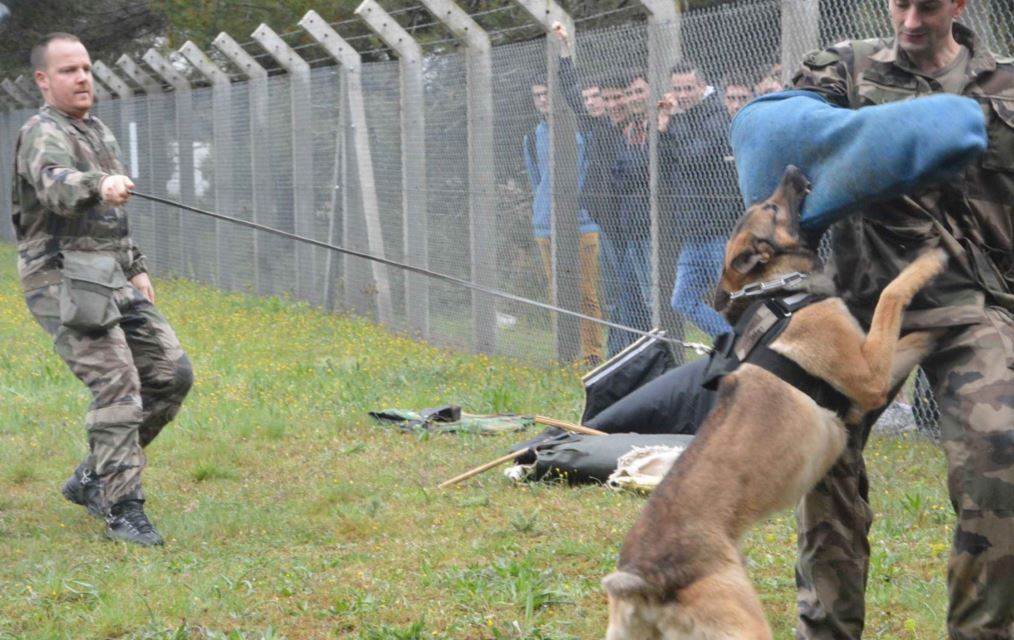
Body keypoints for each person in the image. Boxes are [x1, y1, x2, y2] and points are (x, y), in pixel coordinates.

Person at [788, 2, 1014, 637]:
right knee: (821, 451)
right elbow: (780, 144)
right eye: (900, 3)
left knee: (1000, 450)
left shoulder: (1005, 85)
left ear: (961, 4)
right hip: (863, 306)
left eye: (930, 5)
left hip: (974, 305)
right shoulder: (846, 71)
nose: (911, 19)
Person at [12, 33, 194, 546]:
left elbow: (111, 220)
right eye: (68, 70)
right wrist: (97, 184)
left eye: (87, 68)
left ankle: (92, 476)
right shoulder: (41, 132)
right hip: (60, 279)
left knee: (170, 374)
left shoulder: (98, 133)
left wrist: (135, 267)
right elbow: (55, 184)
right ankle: (122, 507)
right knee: (117, 381)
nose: (83, 77)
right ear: (44, 80)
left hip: (109, 271)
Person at [522, 78, 604, 364]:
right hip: (546, 224)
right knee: (556, 291)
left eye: (546, 94)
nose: (542, 100)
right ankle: (565, 353)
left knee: (585, 291)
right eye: (537, 95)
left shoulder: (580, 130)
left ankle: (592, 353)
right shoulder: (531, 138)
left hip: (581, 223)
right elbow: (535, 179)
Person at [658, 61, 736, 339]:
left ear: (702, 86)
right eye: (677, 89)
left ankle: (744, 354)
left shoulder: (717, 114)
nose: (682, 95)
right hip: (692, 231)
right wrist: (664, 128)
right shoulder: (683, 116)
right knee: (682, 301)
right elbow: (667, 167)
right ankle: (731, 343)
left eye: (688, 88)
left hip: (719, 230)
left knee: (731, 301)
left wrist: (675, 119)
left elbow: (694, 158)